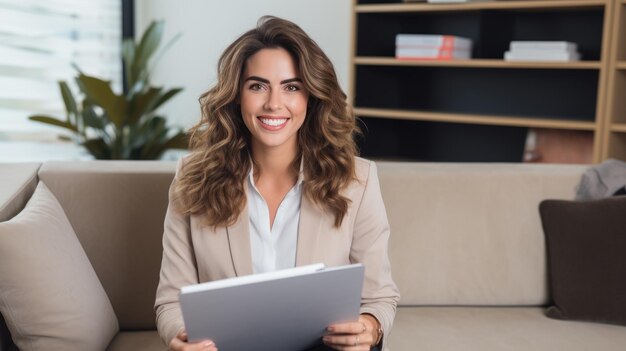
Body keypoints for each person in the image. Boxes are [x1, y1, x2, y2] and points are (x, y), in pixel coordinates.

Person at [155, 15, 399, 351]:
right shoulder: (192, 176)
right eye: (257, 86)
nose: (273, 103)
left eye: (291, 87)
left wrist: (369, 327)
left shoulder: (358, 180)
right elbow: (170, 301)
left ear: (311, 96)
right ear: (237, 95)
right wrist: (181, 336)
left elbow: (379, 297)